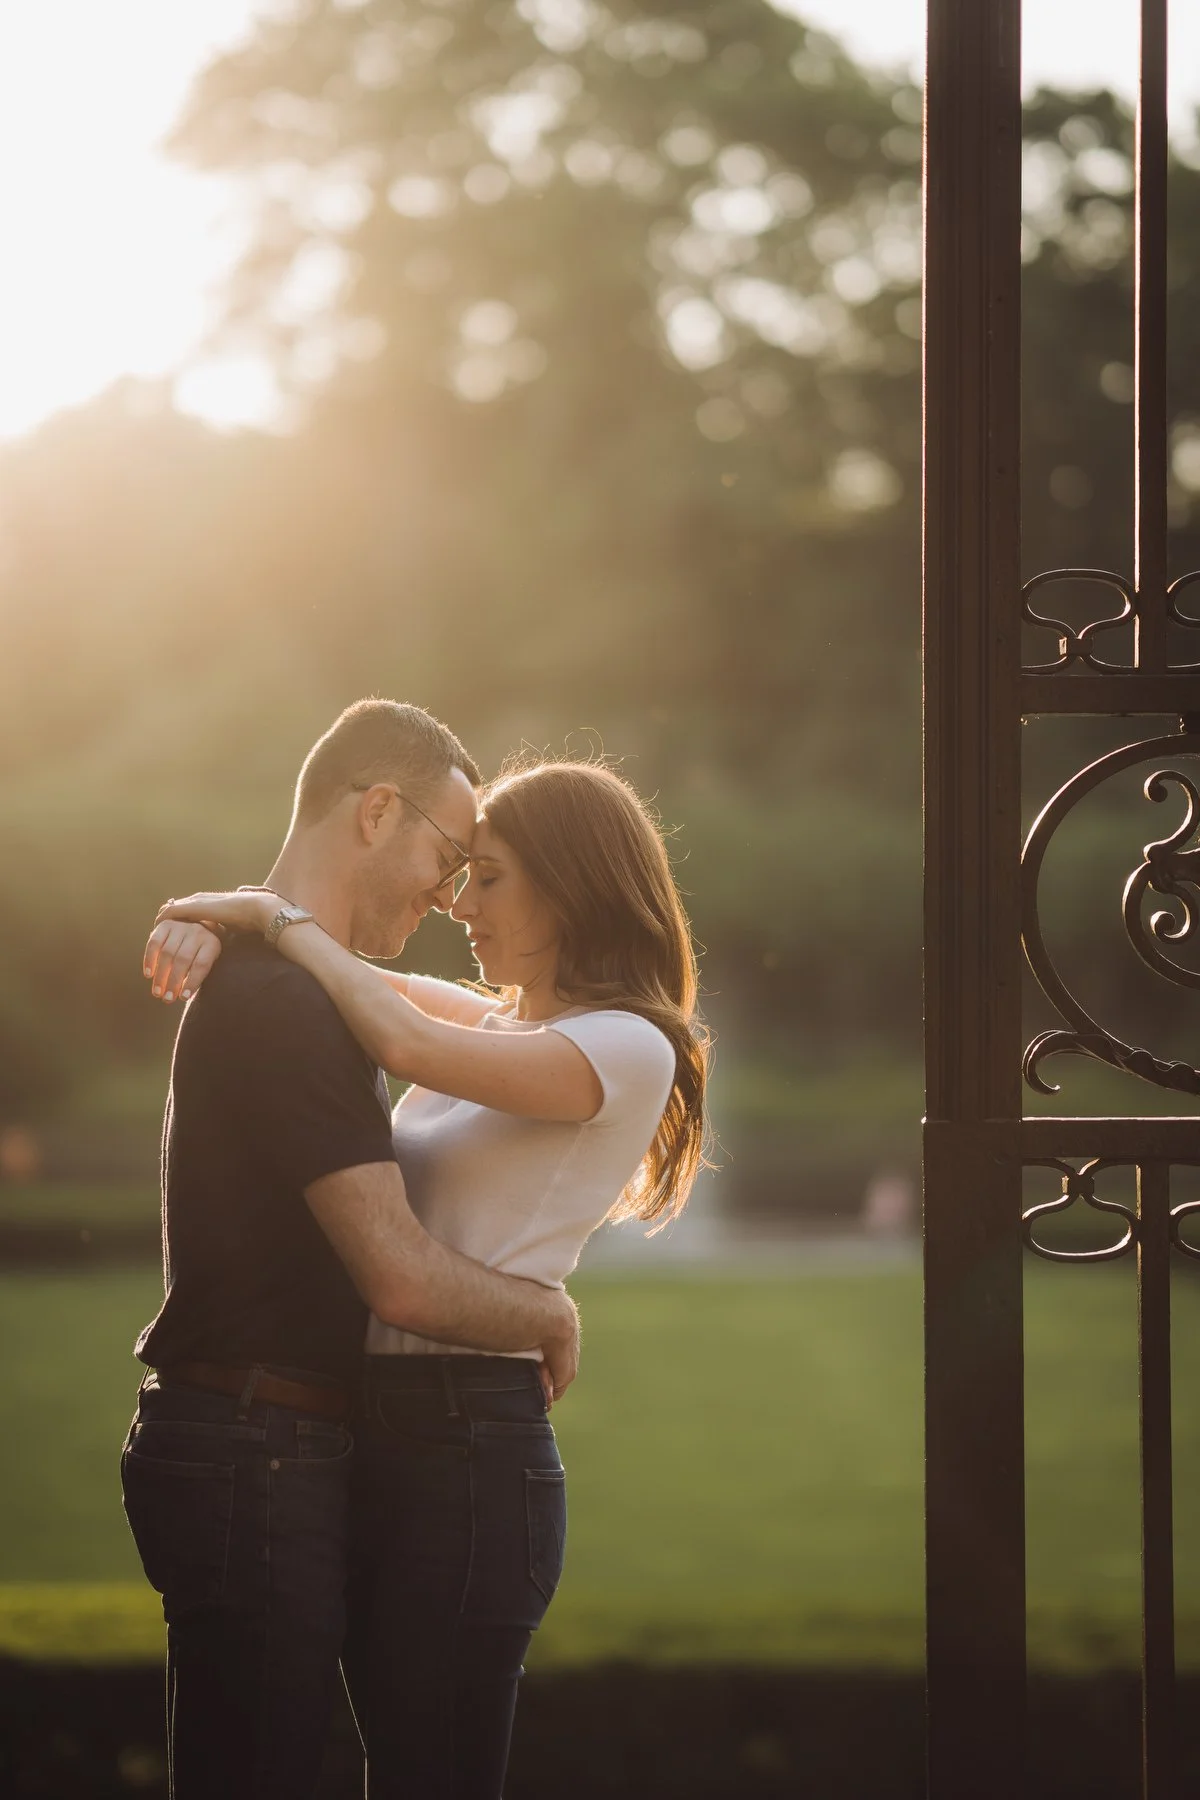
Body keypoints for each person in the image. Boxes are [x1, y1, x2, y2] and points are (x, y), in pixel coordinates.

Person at [145, 756, 710, 1800]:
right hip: (378, 1432)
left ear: (572, 884)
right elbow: (345, 979)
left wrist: (262, 919)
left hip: (471, 1444)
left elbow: (391, 1026)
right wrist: (215, 919)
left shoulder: (628, 1046)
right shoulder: (502, 1019)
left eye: (487, 877)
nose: (459, 905)